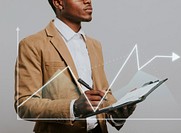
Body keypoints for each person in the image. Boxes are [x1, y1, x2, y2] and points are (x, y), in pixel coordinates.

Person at [15, 0, 136, 132]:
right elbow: (24, 105)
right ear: (58, 3)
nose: (88, 1)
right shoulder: (32, 44)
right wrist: (74, 108)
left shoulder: (95, 45)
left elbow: (104, 94)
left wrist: (118, 114)